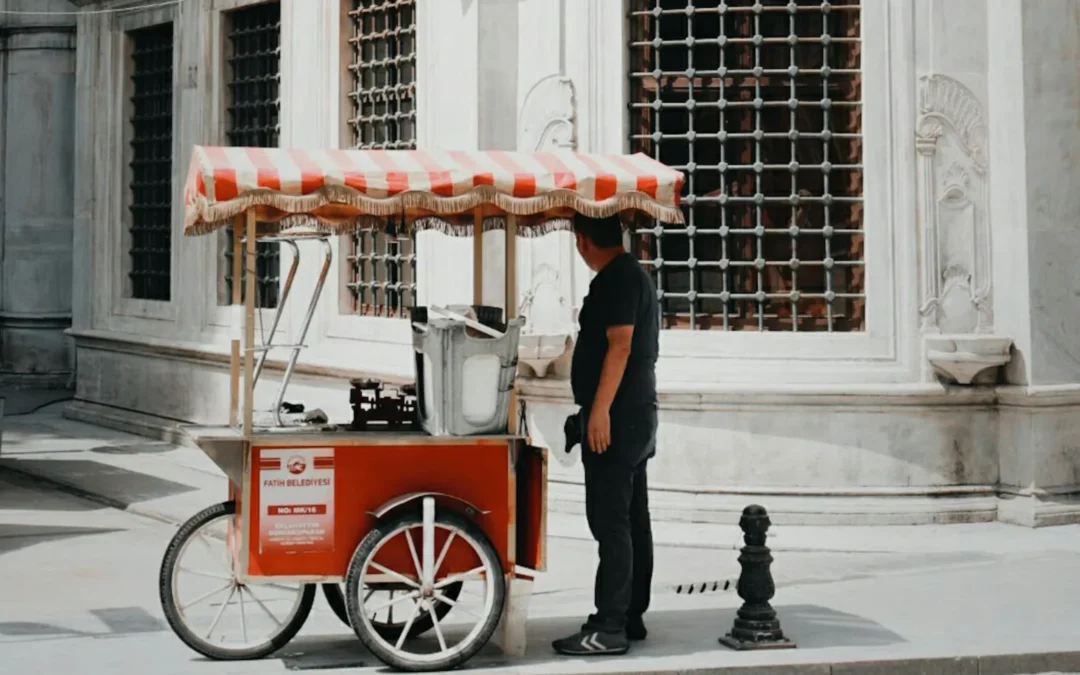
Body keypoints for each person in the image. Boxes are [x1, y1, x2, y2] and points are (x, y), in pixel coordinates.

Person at [552, 214, 659, 657]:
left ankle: (609, 626)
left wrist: (598, 412)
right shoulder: (634, 275)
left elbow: (620, 345)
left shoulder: (617, 280)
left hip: (617, 419)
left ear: (581, 240)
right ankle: (630, 614)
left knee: (611, 522)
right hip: (635, 415)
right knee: (632, 519)